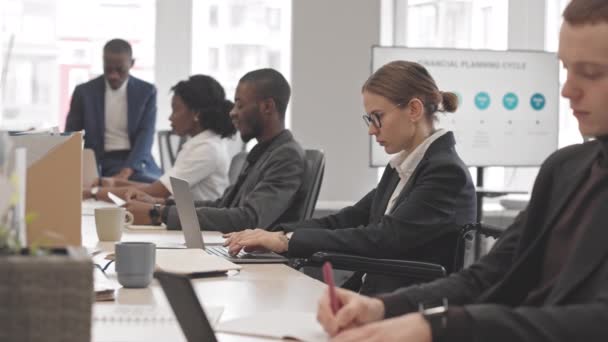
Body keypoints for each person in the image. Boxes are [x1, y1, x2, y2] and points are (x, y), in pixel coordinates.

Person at [316, 1, 608, 341]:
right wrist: (383, 308)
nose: (567, 90)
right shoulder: (565, 170)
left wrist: (437, 327)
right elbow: (488, 276)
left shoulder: (446, 171)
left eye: (591, 73)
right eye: (566, 69)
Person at [224, 60, 477, 294]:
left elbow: (382, 238)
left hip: (403, 309)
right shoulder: (404, 166)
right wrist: (272, 234)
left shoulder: (445, 172)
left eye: (377, 117)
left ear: (413, 109)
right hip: (370, 298)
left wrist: (285, 242)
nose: (371, 129)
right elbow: (346, 220)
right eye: (369, 119)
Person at [124, 68, 307, 232]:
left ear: (267, 107)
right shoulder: (263, 152)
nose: (232, 112)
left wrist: (160, 213)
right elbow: (223, 205)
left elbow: (249, 219)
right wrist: (161, 204)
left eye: (240, 105)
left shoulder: (286, 155)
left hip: (264, 262)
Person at [86, 75, 236, 203]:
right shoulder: (203, 144)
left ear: (196, 113)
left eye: (176, 109)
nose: (170, 117)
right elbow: (158, 186)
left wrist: (93, 193)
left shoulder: (206, 149)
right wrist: (113, 183)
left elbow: (154, 192)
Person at [65, 38, 161, 183]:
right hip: (100, 161)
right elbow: (71, 136)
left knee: (157, 189)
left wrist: (125, 173)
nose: (113, 75)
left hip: (135, 163)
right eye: (108, 69)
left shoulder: (146, 92)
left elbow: (145, 136)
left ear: (132, 63)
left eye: (120, 70)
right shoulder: (84, 92)